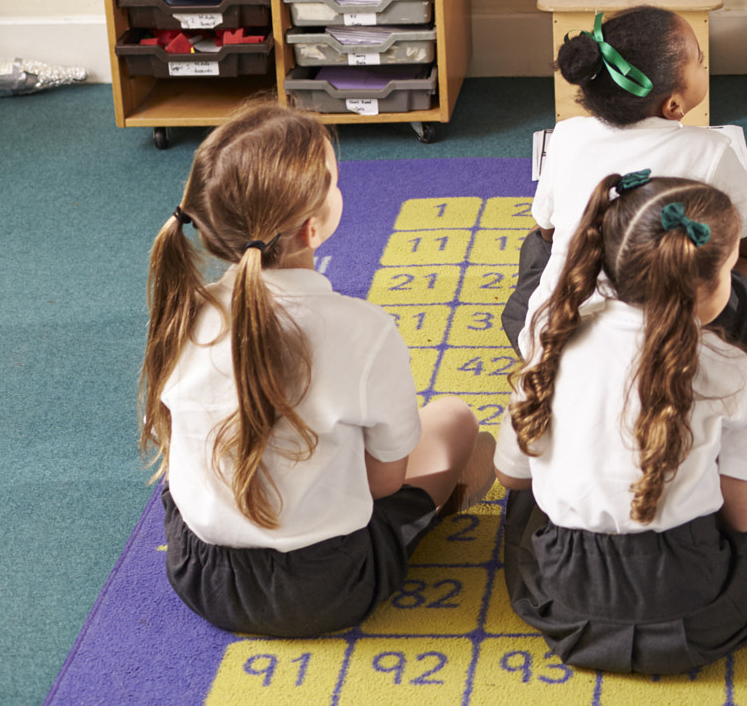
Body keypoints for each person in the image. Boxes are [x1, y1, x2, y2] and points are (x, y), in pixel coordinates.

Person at [140, 98, 494, 638]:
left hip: (199, 575)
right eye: (334, 182)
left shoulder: (180, 310)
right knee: (460, 422)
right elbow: (383, 484)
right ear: (311, 229)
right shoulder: (363, 330)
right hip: (325, 587)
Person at [495, 174, 747, 674]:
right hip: (689, 606)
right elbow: (745, 517)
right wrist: (746, 472)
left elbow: (513, 477)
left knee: (527, 494)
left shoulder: (553, 336)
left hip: (569, 599)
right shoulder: (728, 367)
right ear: (710, 288)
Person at [502, 6, 747, 353]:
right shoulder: (711, 150)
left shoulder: (565, 136)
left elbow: (548, 232)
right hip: (670, 360)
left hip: (555, 345)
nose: (705, 66)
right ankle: (719, 354)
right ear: (673, 105)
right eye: (700, 61)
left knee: (539, 242)